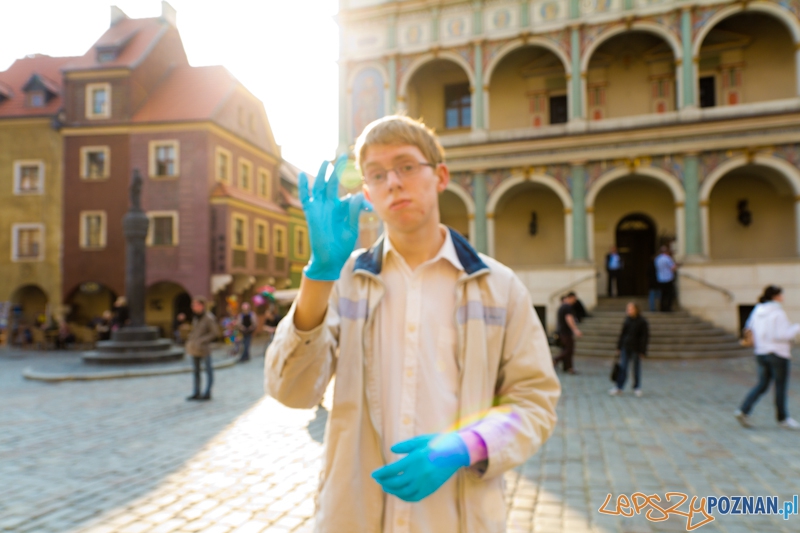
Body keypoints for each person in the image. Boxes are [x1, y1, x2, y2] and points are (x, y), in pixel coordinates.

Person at [264, 115, 560, 533]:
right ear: (366, 192)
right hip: (355, 517)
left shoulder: (501, 287)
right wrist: (317, 277)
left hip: (457, 519)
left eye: (406, 166)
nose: (393, 183)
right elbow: (291, 391)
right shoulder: (342, 281)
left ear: (440, 175)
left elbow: (534, 402)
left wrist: (466, 445)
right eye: (377, 174)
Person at [735, 285, 800, 429]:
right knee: (780, 386)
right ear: (776, 296)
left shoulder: (757, 310)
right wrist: (796, 327)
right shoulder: (778, 313)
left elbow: (748, 328)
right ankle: (783, 418)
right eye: (781, 294)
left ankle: (743, 410)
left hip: (761, 352)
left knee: (762, 384)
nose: (783, 297)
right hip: (778, 353)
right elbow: (782, 335)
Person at [610, 302, 649, 397]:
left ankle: (637, 387)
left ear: (636, 309)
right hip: (625, 347)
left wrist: (643, 351)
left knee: (636, 368)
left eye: (630, 309)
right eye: (628, 309)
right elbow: (622, 334)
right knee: (623, 368)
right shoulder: (627, 320)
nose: (628, 311)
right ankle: (619, 387)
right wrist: (619, 347)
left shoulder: (642, 321)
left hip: (636, 348)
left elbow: (644, 337)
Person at [186, 297, 220, 401]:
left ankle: (207, 393)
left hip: (204, 349)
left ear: (201, 305)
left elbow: (215, 333)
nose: (192, 307)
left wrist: (202, 340)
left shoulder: (209, 318)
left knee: (208, 371)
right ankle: (196, 392)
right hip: (195, 348)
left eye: (194, 305)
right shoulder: (196, 318)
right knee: (196, 371)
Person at [553, 292, 582, 374]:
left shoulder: (562, 306)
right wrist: (575, 329)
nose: (575, 301)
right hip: (566, 332)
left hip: (561, 331)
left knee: (566, 349)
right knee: (569, 350)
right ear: (571, 297)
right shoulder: (567, 307)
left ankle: (568, 367)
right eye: (574, 299)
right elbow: (569, 318)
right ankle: (555, 360)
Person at [654, 245, 677, 312]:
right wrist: (676, 266)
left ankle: (662, 307)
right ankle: (668, 308)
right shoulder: (667, 258)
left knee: (662, 295)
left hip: (660, 279)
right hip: (668, 279)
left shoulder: (657, 259)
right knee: (669, 295)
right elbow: (672, 268)